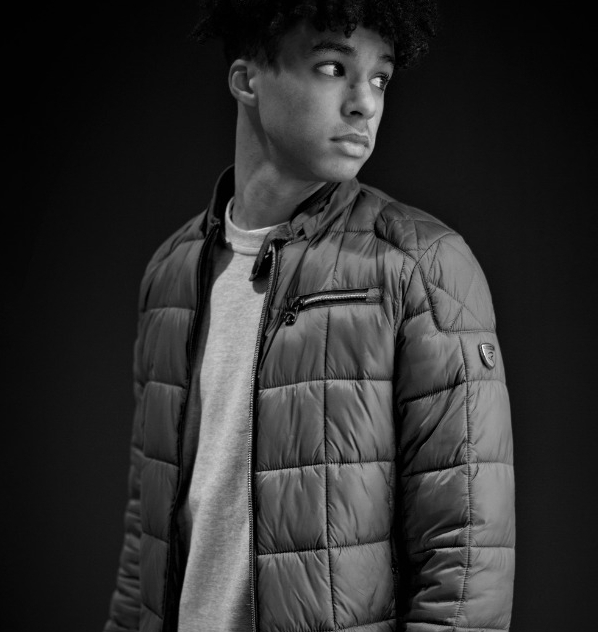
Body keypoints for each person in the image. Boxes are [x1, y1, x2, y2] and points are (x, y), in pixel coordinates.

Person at [104, 1, 515, 631]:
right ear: (247, 80)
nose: (365, 103)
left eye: (380, 78)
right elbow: (146, 534)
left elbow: (465, 563)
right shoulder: (171, 275)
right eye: (332, 68)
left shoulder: (423, 267)